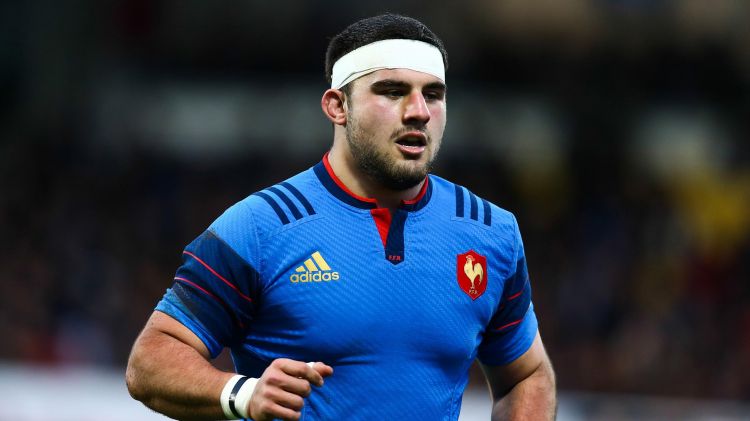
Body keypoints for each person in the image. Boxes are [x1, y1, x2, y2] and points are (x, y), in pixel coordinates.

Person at [126, 13, 556, 421]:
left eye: (433, 94)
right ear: (337, 106)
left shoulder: (490, 231)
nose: (419, 111)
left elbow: (527, 375)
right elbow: (149, 362)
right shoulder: (260, 227)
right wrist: (243, 393)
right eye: (393, 91)